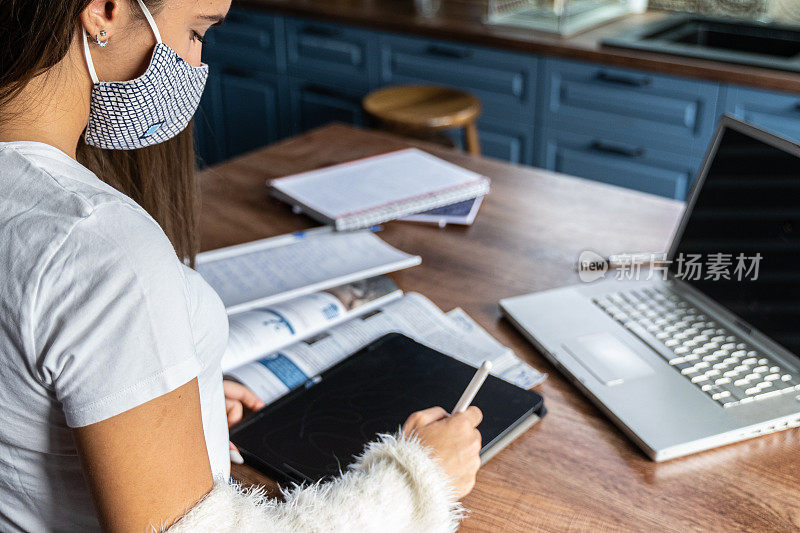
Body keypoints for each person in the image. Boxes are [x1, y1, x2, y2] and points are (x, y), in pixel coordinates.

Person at [0, 0, 483, 530]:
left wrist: (176, 396)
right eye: (195, 31)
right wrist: (419, 479)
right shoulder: (96, 242)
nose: (193, 62)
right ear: (106, 12)